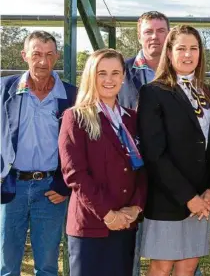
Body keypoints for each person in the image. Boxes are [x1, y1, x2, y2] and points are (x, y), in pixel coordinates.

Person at [137, 25, 210, 276]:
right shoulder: (153, 92)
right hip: (168, 196)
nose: (188, 54)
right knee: (162, 267)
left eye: (193, 48)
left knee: (189, 265)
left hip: (202, 198)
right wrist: (188, 197)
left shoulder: (208, 93)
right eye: (181, 48)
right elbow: (154, 153)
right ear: (169, 53)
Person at [59, 48, 148, 276]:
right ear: (91, 76)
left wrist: (135, 207)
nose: (109, 79)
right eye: (102, 73)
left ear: (123, 77)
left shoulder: (132, 118)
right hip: (92, 225)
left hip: (126, 222)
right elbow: (74, 174)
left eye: (116, 73)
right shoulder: (75, 117)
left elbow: (144, 168)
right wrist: (108, 214)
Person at [0, 31, 76, 276]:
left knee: (47, 265)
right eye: (36, 54)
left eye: (49, 55)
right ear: (25, 56)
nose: (43, 61)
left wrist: (65, 184)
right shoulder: (4, 90)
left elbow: (78, 145)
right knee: (6, 264)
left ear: (56, 58)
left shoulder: (71, 95)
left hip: (51, 190)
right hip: (11, 187)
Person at [118, 11, 170, 110]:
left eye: (161, 31)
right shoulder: (121, 70)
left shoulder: (180, 70)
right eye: (148, 32)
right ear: (139, 37)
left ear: (169, 35)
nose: (154, 36)